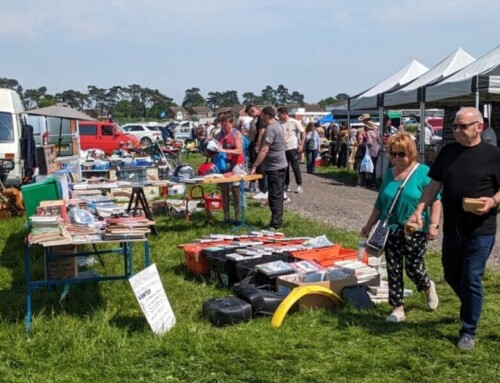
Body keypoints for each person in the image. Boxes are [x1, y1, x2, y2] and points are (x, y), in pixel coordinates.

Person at [408, 107, 500, 351]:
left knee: (471, 276)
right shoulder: (448, 151)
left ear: (479, 127)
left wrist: (492, 201)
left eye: (462, 126)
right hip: (453, 228)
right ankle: (472, 304)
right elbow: (434, 184)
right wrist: (419, 210)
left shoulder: (493, 155)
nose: (457, 130)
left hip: (482, 228)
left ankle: (468, 330)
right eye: (454, 127)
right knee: (451, 274)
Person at [361, 133, 441, 323]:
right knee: (393, 267)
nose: (397, 158)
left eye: (401, 154)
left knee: (413, 267)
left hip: (414, 228)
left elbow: (436, 201)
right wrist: (369, 225)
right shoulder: (389, 174)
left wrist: (433, 225)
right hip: (390, 227)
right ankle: (397, 307)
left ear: (411, 152)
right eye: (393, 154)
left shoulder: (423, 172)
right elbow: (380, 203)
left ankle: (427, 286)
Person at [250, 106, 287, 230]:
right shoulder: (278, 126)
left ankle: (276, 224)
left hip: (275, 167)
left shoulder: (271, 128)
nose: (261, 118)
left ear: (266, 115)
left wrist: (255, 165)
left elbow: (265, 149)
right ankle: (275, 221)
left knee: (275, 195)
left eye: (262, 116)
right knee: (277, 194)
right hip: (280, 165)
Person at [216, 113, 245, 224]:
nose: (224, 128)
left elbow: (239, 150)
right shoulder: (220, 135)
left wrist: (224, 151)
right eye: (222, 126)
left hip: (236, 163)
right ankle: (226, 216)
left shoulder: (236, 134)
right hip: (224, 164)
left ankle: (237, 217)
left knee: (235, 189)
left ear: (231, 123)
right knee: (224, 190)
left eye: (226, 125)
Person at [277, 106, 305, 194]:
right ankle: (286, 184)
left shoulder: (294, 122)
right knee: (285, 167)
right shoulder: (279, 123)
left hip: (292, 147)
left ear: (284, 114)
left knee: (295, 167)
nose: (278, 116)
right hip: (282, 148)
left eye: (279, 114)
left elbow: (302, 132)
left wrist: (301, 144)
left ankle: (299, 185)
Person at [245, 104, 268, 200]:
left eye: (250, 114)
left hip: (259, 144)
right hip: (256, 143)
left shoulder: (260, 119)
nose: (251, 116)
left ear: (252, 111)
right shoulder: (257, 119)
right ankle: (261, 188)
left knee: (259, 167)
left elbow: (261, 131)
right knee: (258, 167)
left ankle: (264, 189)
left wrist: (258, 144)